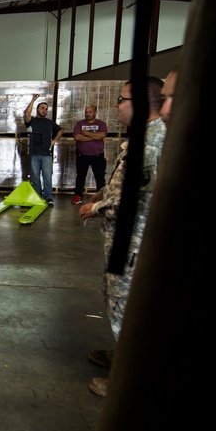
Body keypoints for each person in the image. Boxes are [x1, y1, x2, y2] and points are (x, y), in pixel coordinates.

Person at [78, 77, 167, 397]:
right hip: (123, 238)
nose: (117, 104)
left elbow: (135, 200)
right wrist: (102, 192)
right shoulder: (143, 138)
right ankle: (125, 356)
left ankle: (129, 379)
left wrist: (96, 207)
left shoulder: (150, 142)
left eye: (122, 98)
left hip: (132, 240)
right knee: (123, 304)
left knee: (127, 306)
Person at [23, 93, 62, 206]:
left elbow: (60, 130)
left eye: (46, 109)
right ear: (37, 109)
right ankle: (37, 196)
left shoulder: (50, 123)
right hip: (34, 153)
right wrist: (33, 100)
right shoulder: (32, 121)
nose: (44, 110)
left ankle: (48, 197)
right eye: (42, 108)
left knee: (47, 176)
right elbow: (26, 114)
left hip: (46, 154)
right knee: (35, 177)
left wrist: (54, 141)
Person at [71, 104, 108, 205]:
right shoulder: (79, 124)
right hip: (82, 156)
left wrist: (86, 133)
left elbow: (102, 135)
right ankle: (78, 196)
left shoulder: (101, 124)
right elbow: (77, 137)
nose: (88, 114)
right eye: (86, 112)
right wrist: (94, 137)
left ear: (95, 112)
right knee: (80, 177)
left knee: (100, 178)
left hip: (97, 156)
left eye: (90, 112)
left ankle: (101, 198)